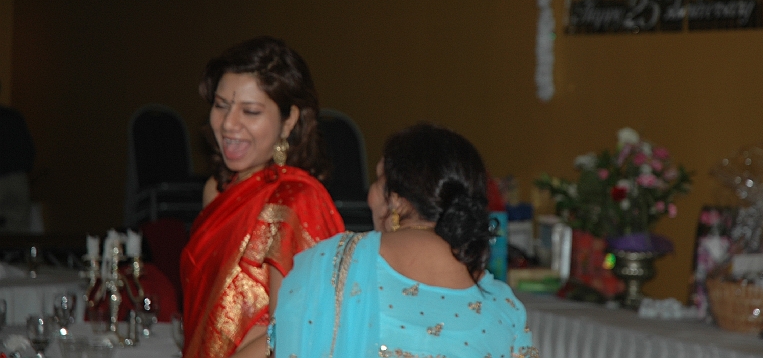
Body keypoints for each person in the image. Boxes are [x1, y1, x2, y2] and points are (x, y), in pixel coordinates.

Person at [271, 123, 538, 358]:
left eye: (378, 180)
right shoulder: (503, 308)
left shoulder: (331, 262)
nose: (370, 195)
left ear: (397, 200)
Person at [180, 36, 345, 358]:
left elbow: (293, 333)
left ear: (289, 120)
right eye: (221, 105)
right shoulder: (217, 190)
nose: (228, 124)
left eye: (250, 111)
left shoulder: (295, 201)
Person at [0, 80, 35, 232]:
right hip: (18, 179)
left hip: (10, 177)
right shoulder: (14, 116)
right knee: (18, 231)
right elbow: (29, 150)